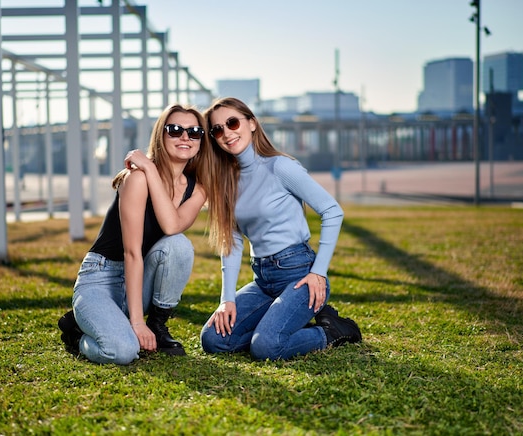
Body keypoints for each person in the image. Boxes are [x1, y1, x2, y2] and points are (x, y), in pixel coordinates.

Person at [199, 97, 362, 361]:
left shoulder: (280, 167)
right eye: (218, 129)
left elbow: (332, 210)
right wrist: (226, 300)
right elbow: (233, 243)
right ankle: (276, 319)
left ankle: (331, 331)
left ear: (251, 123)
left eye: (232, 122)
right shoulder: (226, 181)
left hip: (300, 274)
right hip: (263, 279)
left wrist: (318, 273)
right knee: (213, 340)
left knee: (266, 348)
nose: (227, 133)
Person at [58, 103, 209, 365]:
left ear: (200, 141)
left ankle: (158, 327)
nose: (185, 137)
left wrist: (150, 169)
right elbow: (131, 252)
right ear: (160, 136)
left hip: (139, 281)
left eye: (194, 132)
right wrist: (136, 323)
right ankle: (77, 333)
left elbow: (172, 226)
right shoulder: (136, 179)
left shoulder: (196, 190)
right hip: (102, 277)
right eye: (175, 130)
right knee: (123, 351)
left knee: (178, 245)